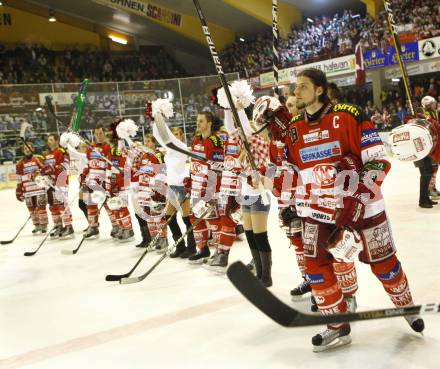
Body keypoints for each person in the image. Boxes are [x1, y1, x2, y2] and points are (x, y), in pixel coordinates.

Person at [256, 68, 424, 351]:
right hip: (318, 211)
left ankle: (405, 306)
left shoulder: (350, 115)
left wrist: (357, 199)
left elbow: (378, 162)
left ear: (319, 90)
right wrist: (277, 187)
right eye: (296, 87)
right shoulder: (295, 129)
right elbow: (292, 174)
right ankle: (337, 324)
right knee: (315, 267)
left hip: (365, 207)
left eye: (302, 87)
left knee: (384, 265)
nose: (296, 92)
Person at [185, 111, 225, 263]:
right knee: (194, 217)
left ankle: (219, 252)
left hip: (210, 189)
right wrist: (190, 180)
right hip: (196, 187)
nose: (198, 123)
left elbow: (218, 169)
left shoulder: (215, 141)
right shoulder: (195, 140)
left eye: (201, 121)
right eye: (197, 121)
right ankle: (202, 249)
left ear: (209, 123)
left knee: (214, 220)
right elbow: (194, 163)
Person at [151, 124, 195, 258]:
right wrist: (155, 120)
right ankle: (180, 245)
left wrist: (159, 120)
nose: (174, 137)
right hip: (171, 187)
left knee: (187, 219)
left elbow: (167, 136)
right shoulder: (168, 149)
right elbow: (158, 136)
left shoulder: (180, 146)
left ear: (181, 136)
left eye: (177, 134)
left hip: (181, 186)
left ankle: (192, 248)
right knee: (169, 218)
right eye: (173, 134)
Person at [80, 124, 117, 239]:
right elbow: (88, 164)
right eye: (96, 134)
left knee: (107, 205)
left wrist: (108, 182)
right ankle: (93, 227)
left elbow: (111, 166)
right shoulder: (91, 148)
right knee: (90, 204)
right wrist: (83, 176)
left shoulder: (108, 148)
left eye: (100, 133)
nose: (98, 136)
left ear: (105, 134)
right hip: (91, 181)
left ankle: (116, 226)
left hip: (103, 181)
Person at [132, 133, 167, 251]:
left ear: (153, 142)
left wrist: (159, 191)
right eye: (145, 141)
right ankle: (154, 238)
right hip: (144, 190)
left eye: (148, 141)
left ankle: (163, 240)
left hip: (154, 191)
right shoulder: (144, 156)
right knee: (149, 217)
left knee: (158, 216)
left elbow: (162, 173)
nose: (145, 143)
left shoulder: (157, 155)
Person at [105, 120, 135, 242]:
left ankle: (128, 229)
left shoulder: (123, 151)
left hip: (123, 185)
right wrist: (110, 184)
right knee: (115, 207)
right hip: (114, 184)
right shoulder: (111, 152)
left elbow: (126, 169)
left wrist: (118, 182)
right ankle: (122, 227)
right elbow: (110, 170)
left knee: (122, 206)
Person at [41, 133, 74, 239]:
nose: (49, 141)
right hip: (50, 184)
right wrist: (43, 172)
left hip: (61, 183)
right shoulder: (47, 155)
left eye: (51, 139)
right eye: (48, 140)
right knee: (52, 206)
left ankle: (69, 226)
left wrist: (52, 168)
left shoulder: (61, 152)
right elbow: (46, 169)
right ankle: (58, 226)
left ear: (56, 141)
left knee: (62, 205)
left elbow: (65, 166)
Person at [15, 141, 48, 234]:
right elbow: (19, 177)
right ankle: (37, 225)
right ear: (22, 151)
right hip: (28, 190)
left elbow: (45, 170)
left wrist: (40, 173)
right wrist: (19, 190)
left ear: (32, 149)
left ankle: (44, 225)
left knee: (41, 207)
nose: (27, 150)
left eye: (29, 148)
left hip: (39, 188)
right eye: (25, 149)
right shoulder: (20, 163)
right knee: (31, 208)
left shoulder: (39, 158)